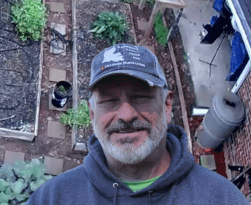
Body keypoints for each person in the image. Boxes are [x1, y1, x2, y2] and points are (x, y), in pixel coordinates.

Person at [27, 44, 247, 204]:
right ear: (92, 113)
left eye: (141, 97)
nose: (125, 114)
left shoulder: (222, 199)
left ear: (167, 105)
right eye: (109, 100)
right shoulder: (53, 198)